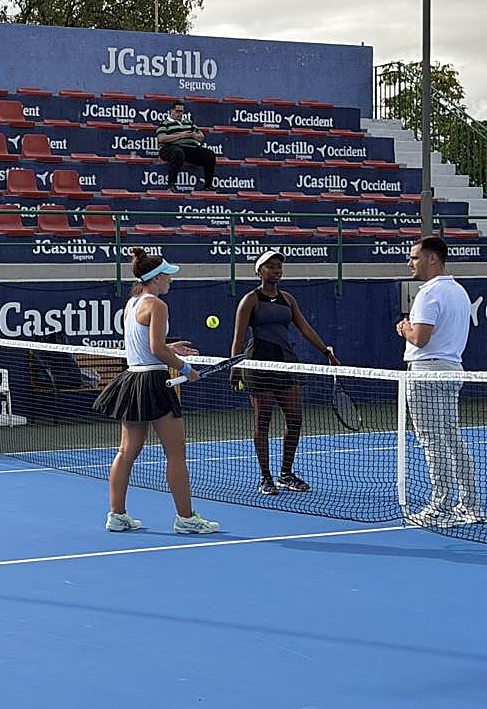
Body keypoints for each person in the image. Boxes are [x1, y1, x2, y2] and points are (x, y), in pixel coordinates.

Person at [94, 248, 222, 534]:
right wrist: (187, 369)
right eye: (167, 276)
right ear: (155, 278)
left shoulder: (132, 304)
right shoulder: (158, 305)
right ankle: (186, 519)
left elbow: (144, 347)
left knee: (126, 452)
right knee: (176, 454)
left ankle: (117, 514)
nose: (170, 281)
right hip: (153, 383)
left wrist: (170, 349)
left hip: (133, 380)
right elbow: (155, 349)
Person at [229, 250, 340, 496]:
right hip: (258, 365)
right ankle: (265, 477)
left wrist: (326, 351)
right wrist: (235, 366)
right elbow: (238, 338)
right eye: (270, 267)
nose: (276, 271)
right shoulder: (250, 300)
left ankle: (286, 473)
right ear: (259, 272)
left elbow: (305, 327)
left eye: (279, 267)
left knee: (295, 420)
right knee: (263, 422)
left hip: (286, 364)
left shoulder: (288, 299)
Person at [395, 236, 480, 526]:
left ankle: (440, 506)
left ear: (433, 259)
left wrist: (405, 328)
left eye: (414, 257)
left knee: (433, 441)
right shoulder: (458, 291)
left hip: (427, 373)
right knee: (452, 439)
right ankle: (471, 504)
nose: (410, 263)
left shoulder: (428, 294)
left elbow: (420, 338)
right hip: (452, 369)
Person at [155, 100, 216, 192]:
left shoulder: (189, 123)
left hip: (189, 149)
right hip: (169, 148)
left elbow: (201, 136)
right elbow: (161, 138)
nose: (179, 114)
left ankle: (208, 185)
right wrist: (181, 135)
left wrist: (194, 136)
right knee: (178, 152)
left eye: (181, 111)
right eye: (177, 111)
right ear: (171, 111)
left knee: (209, 155)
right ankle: (172, 184)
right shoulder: (165, 123)